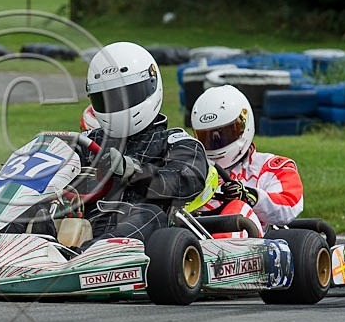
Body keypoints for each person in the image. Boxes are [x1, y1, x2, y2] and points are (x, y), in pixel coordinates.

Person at [73, 41, 209, 247]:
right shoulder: (85, 142)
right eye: (108, 98)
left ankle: (88, 256)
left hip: (148, 239)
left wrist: (133, 170)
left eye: (126, 96)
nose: (118, 106)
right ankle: (10, 250)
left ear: (151, 84)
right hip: (81, 224)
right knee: (35, 209)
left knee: (151, 213)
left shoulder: (177, 143)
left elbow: (185, 182)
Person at [190, 84, 304, 236]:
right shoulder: (193, 170)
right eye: (207, 137)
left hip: (254, 244)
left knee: (237, 208)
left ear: (244, 126)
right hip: (193, 237)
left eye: (224, 134)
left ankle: (217, 253)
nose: (215, 143)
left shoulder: (271, 167)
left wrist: (249, 197)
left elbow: (290, 205)